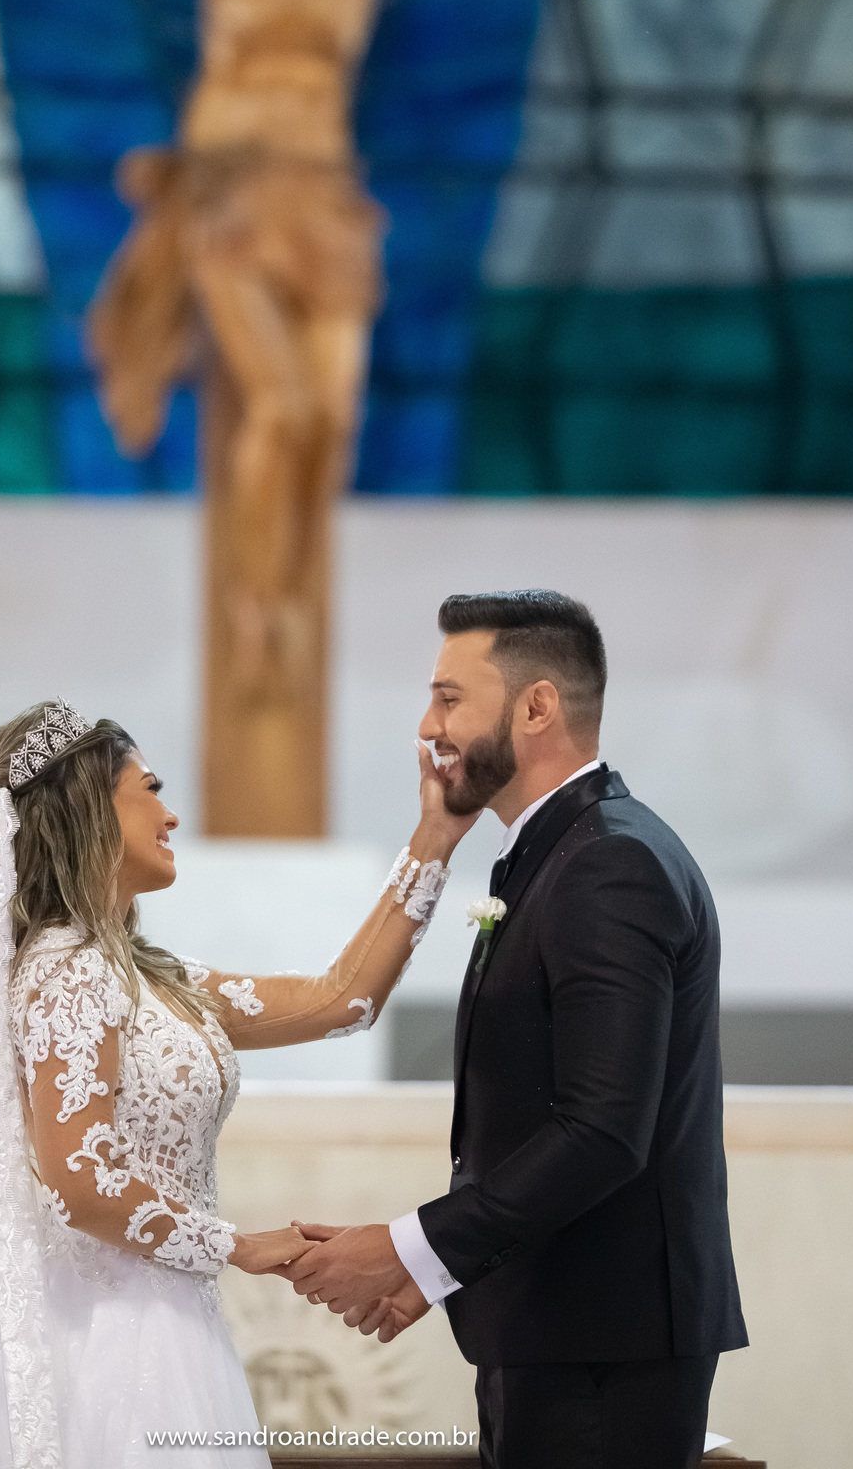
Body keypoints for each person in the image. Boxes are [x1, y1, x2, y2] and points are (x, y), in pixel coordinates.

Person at [0, 0, 613, 694]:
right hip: (233, 186)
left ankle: (289, 590)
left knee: (330, 420)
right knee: (280, 408)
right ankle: (258, 612)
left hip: (326, 195)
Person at [0, 698, 457, 1469]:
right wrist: (238, 1246)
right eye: (152, 788)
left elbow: (341, 1000)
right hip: (102, 1353)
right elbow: (79, 1178)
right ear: (94, 805)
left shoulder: (148, 978)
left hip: (170, 1329)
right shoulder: (65, 970)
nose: (172, 815)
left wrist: (437, 832)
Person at [288, 590, 749, 1469]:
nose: (429, 726)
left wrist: (412, 1250)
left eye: (450, 698)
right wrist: (444, 1269)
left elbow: (604, 1129)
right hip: (556, 1324)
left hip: (604, 1346)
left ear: (537, 706)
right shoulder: (563, 850)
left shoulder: (610, 863)